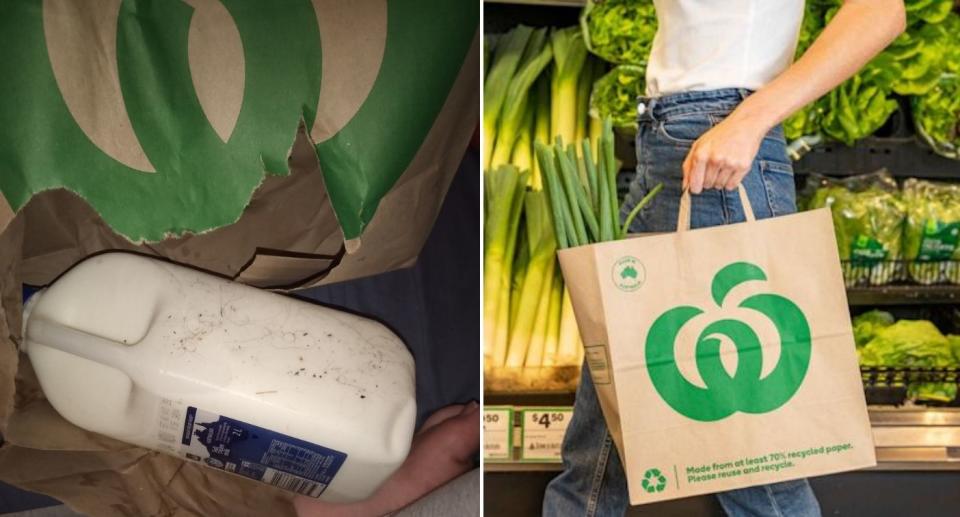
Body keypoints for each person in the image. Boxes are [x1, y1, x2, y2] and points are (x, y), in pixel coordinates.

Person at [543, 0, 906, 515]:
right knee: (605, 420)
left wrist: (749, 120)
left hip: (719, 140)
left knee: (753, 457)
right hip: (670, 140)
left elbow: (882, 11)